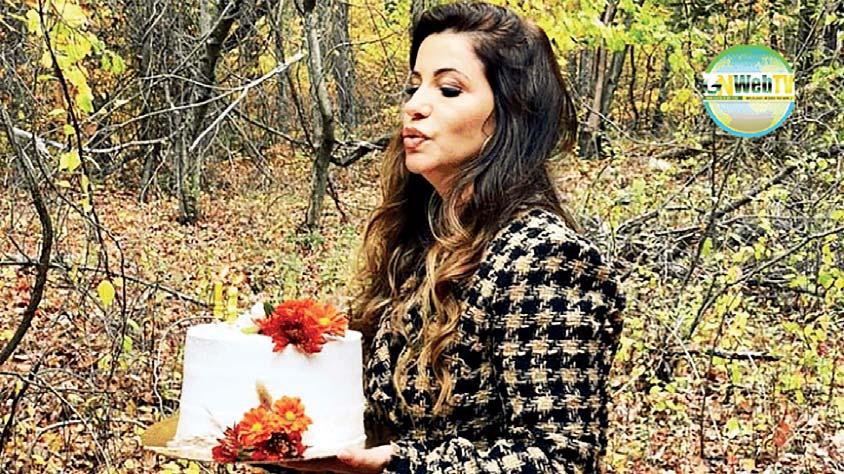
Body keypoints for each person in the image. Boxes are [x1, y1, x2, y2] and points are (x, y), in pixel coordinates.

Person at [268, 2, 626, 472]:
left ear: (511, 113)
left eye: (449, 89)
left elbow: (561, 460)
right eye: (414, 85)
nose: (414, 105)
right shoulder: (423, 244)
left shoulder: (544, 258)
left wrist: (400, 465)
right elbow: (392, 417)